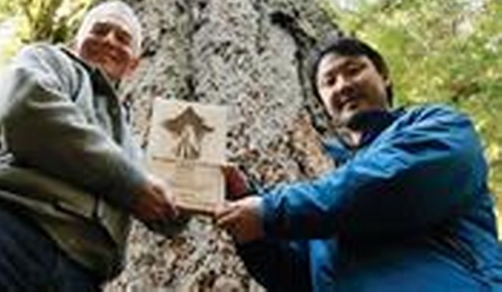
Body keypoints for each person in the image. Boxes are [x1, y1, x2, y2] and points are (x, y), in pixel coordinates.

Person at [0, 0, 184, 291]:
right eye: (100, 30)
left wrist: (204, 193)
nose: (109, 40)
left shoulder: (130, 141)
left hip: (82, 275)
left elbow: (158, 206)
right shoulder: (50, 61)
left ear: (134, 64)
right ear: (78, 40)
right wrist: (130, 183)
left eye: (122, 38)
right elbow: (25, 107)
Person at [215, 36, 502, 291]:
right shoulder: (329, 193)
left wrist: (270, 211)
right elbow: (299, 278)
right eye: (329, 82)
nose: (343, 85)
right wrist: (249, 227)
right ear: (323, 104)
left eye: (353, 70)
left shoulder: (436, 124)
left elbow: (394, 183)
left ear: (384, 76)